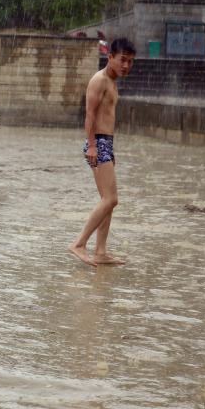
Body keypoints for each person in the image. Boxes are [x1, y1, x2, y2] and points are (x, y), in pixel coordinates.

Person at [69, 38, 136, 267]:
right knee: (111, 199)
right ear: (110, 57)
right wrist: (93, 145)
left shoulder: (113, 81)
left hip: (106, 142)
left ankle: (100, 251)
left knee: (107, 201)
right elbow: (89, 114)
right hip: (98, 142)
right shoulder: (100, 80)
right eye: (122, 60)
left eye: (130, 61)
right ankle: (79, 244)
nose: (126, 65)